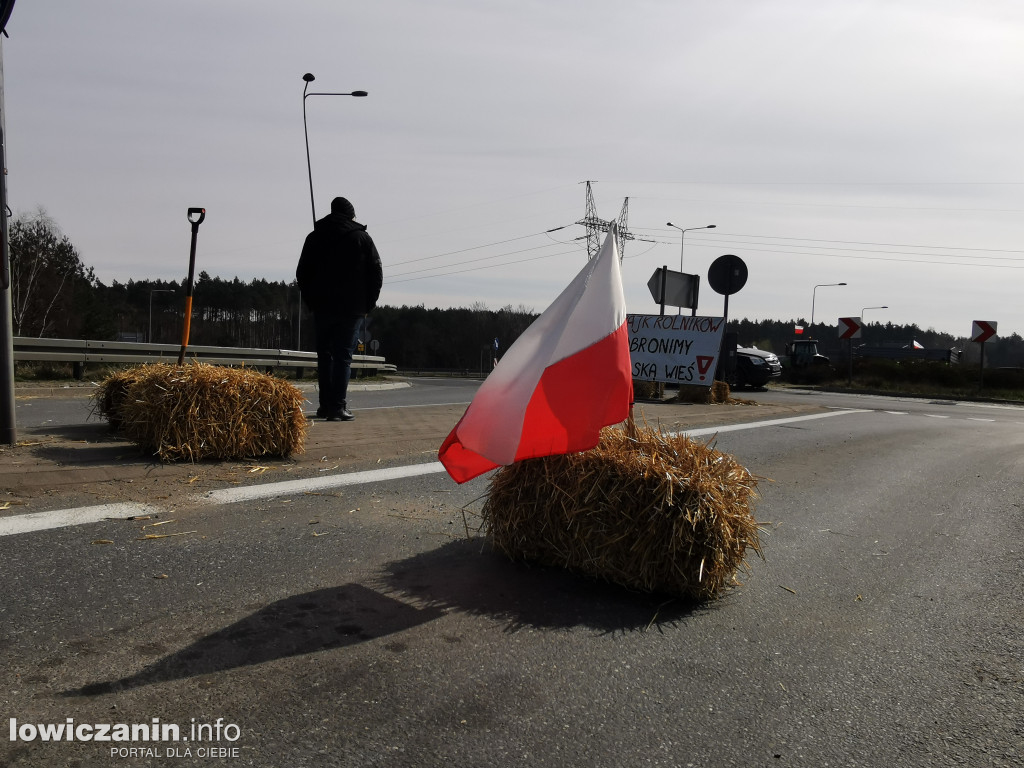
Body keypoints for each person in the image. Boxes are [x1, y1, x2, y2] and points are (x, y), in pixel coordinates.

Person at [296, 196, 383, 421]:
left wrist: (311, 301)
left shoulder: (315, 237)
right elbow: (376, 272)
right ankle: (338, 406)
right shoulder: (362, 238)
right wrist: (368, 304)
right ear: (350, 215)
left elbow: (302, 273)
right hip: (352, 309)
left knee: (324, 355)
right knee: (343, 356)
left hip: (322, 307)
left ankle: (325, 406)